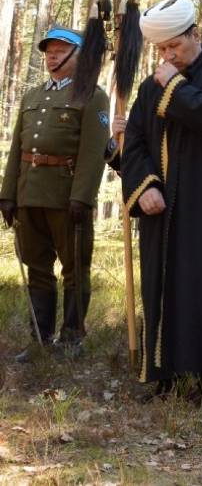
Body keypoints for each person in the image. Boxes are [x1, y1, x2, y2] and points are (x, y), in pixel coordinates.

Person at [120, 0, 202, 407]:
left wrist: (174, 88)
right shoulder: (149, 86)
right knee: (165, 287)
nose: (168, 56)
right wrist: (144, 187)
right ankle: (166, 373)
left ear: (195, 34)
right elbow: (136, 144)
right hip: (164, 210)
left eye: (174, 46)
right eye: (161, 50)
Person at [0, 25, 110, 362]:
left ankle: (72, 338)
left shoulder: (92, 95)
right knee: (37, 268)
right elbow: (19, 146)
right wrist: (7, 194)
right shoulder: (33, 96)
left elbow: (94, 152)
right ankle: (41, 338)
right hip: (29, 195)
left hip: (66, 199)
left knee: (75, 268)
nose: (52, 57)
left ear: (79, 56)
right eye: (49, 52)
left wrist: (82, 197)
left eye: (61, 51)